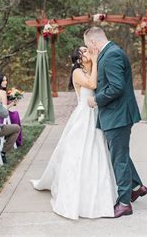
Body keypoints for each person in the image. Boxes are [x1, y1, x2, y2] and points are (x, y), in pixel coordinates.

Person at [31, 46, 117, 220]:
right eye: (84, 51)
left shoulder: (93, 68)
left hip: (96, 115)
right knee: (78, 153)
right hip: (83, 116)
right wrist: (94, 61)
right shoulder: (77, 72)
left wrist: (95, 63)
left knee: (97, 153)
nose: (88, 53)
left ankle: (100, 194)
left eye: (88, 50)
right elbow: (92, 85)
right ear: (78, 59)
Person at [85, 27, 147, 218]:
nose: (88, 48)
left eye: (88, 45)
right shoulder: (110, 53)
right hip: (115, 114)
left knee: (118, 158)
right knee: (119, 153)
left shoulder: (112, 55)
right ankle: (136, 186)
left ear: (94, 42)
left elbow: (116, 87)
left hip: (118, 115)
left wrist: (96, 100)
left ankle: (124, 203)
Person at [0, 73, 23, 146]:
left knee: (14, 113)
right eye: (3, 80)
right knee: (15, 114)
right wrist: (13, 103)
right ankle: (17, 139)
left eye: (6, 80)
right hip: (2, 117)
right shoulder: (2, 92)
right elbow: (4, 109)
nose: (5, 82)